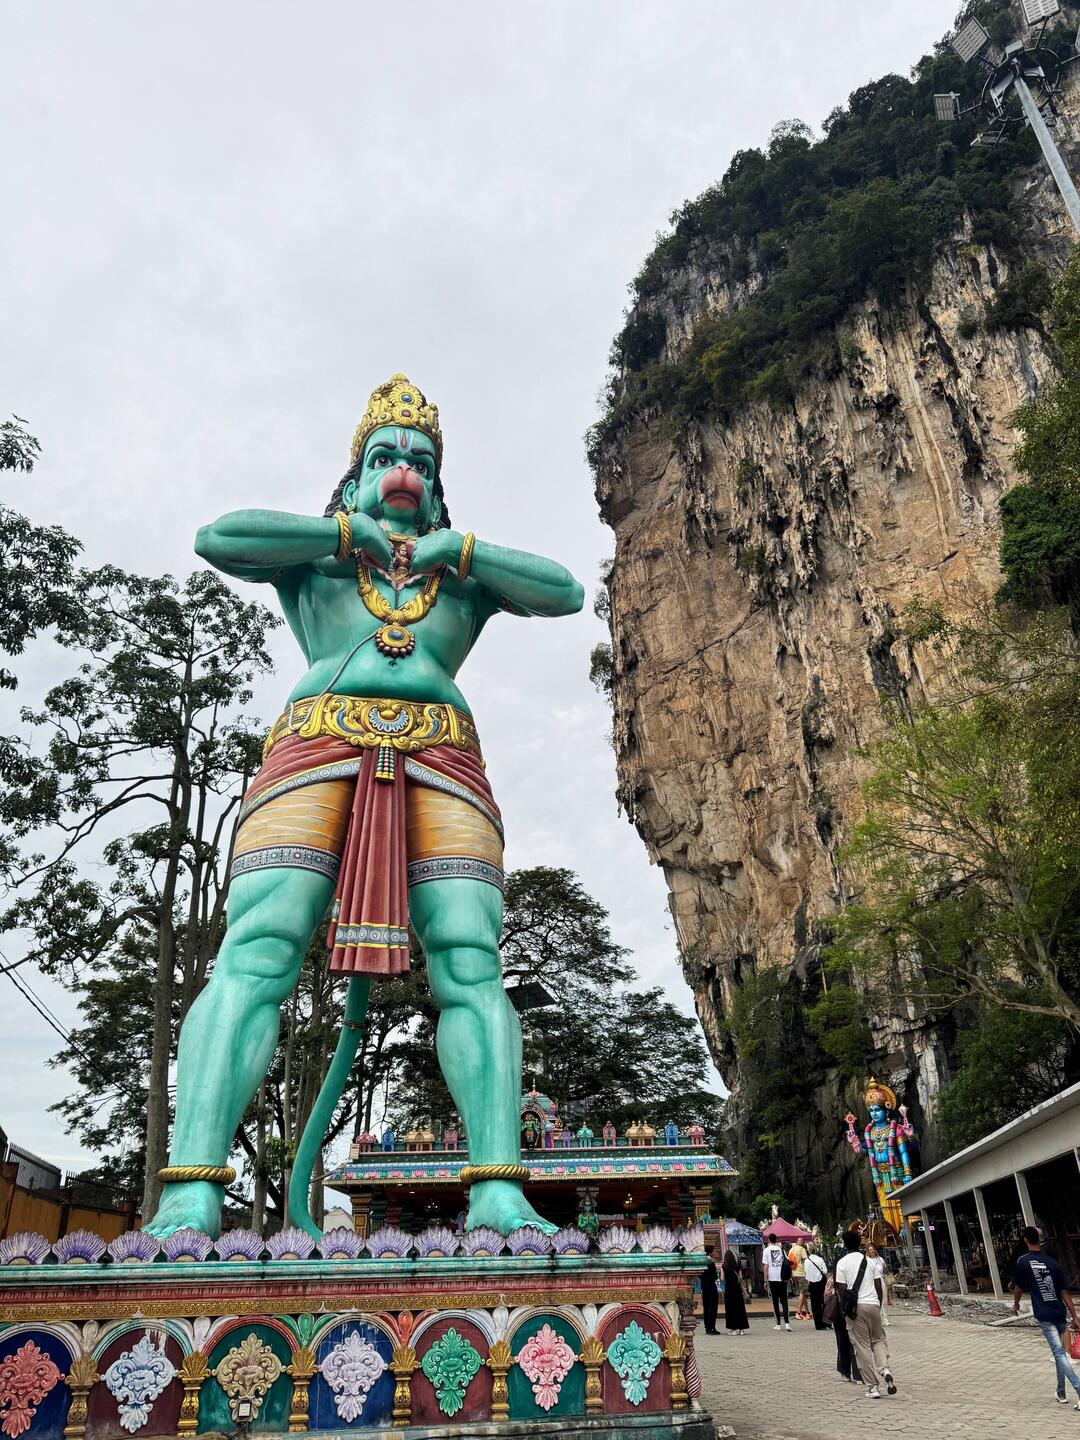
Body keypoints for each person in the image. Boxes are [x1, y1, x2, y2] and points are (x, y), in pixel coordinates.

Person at [143, 374, 585, 1241]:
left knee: (471, 962)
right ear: (352, 482)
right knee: (257, 950)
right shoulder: (319, 559)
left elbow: (565, 591)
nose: (404, 472)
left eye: (421, 462)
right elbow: (217, 538)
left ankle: (497, 1187)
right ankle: (191, 1189)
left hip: (443, 755)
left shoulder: (462, 578)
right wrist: (347, 535)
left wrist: (459, 552)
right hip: (317, 742)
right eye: (384, 457)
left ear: (439, 491)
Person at [1012, 1225, 1080, 1407]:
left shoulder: (1023, 1261)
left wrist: (1016, 1304)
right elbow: (1064, 1292)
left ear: (1025, 1240)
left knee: (1059, 1353)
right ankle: (1061, 1392)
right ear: (1040, 1240)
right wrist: (1074, 1315)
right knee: (1060, 1354)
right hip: (1059, 1311)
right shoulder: (1052, 1263)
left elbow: (1018, 1288)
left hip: (1045, 1314)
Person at [836, 1229, 896, 1401]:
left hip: (856, 1309)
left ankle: (872, 1386)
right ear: (859, 1244)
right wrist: (878, 1304)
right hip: (873, 1305)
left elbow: (842, 1289)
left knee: (862, 1346)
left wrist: (846, 1310)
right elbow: (878, 1285)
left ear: (845, 1244)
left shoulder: (842, 1263)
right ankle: (885, 1369)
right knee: (878, 1339)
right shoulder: (869, 1262)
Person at [826, 1260, 862, 1384]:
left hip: (839, 1312)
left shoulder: (832, 1280)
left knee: (842, 1342)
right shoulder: (849, 1277)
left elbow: (826, 1296)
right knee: (854, 1343)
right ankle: (857, 1374)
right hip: (850, 1311)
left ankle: (845, 1371)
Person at [762, 1232, 791, 1330]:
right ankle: (787, 1323)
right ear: (776, 1240)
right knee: (784, 1300)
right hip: (782, 1278)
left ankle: (778, 1323)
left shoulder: (766, 1251)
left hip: (772, 1278)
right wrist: (789, 1277)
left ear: (769, 1240)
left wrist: (765, 1280)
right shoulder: (781, 1250)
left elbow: (766, 1266)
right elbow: (787, 1264)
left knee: (775, 1301)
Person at [723, 1245, 750, 1336]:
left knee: (730, 1309)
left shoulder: (724, 1267)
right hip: (737, 1289)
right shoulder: (737, 1266)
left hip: (729, 1289)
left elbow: (722, 1278)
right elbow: (740, 1277)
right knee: (740, 1308)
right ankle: (741, 1329)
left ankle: (733, 1329)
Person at [805, 1243, 829, 1329]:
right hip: (821, 1282)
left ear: (809, 1251)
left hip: (812, 1283)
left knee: (815, 1304)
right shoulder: (820, 1259)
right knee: (823, 1302)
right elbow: (825, 1271)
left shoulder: (807, 1261)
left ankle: (818, 1325)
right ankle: (826, 1322)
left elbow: (806, 1273)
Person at [866, 1242, 890, 1327]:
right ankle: (877, 1318)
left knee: (884, 1300)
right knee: (875, 1300)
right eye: (870, 1250)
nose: (872, 1251)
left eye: (873, 1249)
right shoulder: (867, 1260)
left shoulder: (880, 1259)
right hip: (871, 1281)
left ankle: (886, 1318)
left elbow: (885, 1270)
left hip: (881, 1280)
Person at [701, 1244, 720, 1335]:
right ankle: (712, 1327)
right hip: (711, 1287)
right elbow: (715, 1276)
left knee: (706, 1307)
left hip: (704, 1287)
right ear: (710, 1252)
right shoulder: (711, 1263)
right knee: (712, 1307)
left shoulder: (701, 1262)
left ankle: (707, 1326)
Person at [789, 1238, 809, 1317]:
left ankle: (807, 1312)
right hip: (801, 1273)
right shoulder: (802, 1249)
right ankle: (798, 1312)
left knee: (802, 1293)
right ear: (802, 1243)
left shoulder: (791, 1250)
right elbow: (806, 1261)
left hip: (794, 1273)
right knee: (802, 1292)